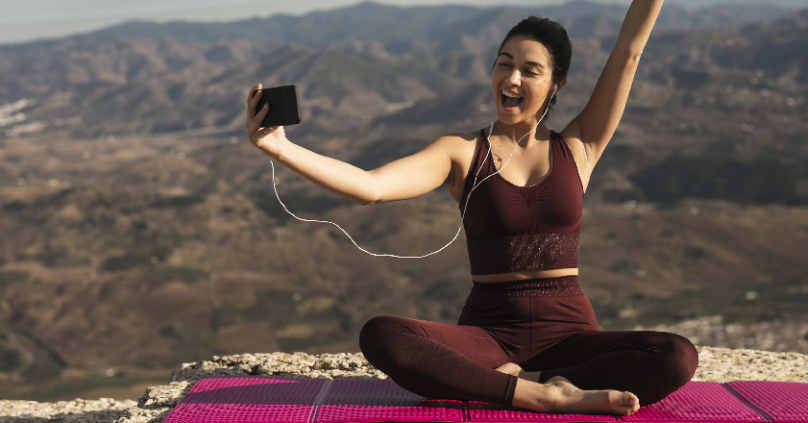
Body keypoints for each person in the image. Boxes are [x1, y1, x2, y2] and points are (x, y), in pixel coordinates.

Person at [245, 0, 696, 416]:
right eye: (504, 64)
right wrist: (280, 149)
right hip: (488, 338)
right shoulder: (461, 152)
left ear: (556, 83)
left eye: (530, 70)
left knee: (677, 356)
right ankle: (539, 395)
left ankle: (530, 383)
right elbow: (371, 186)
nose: (512, 79)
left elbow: (629, 51)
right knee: (381, 334)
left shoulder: (580, 146)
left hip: (571, 338)